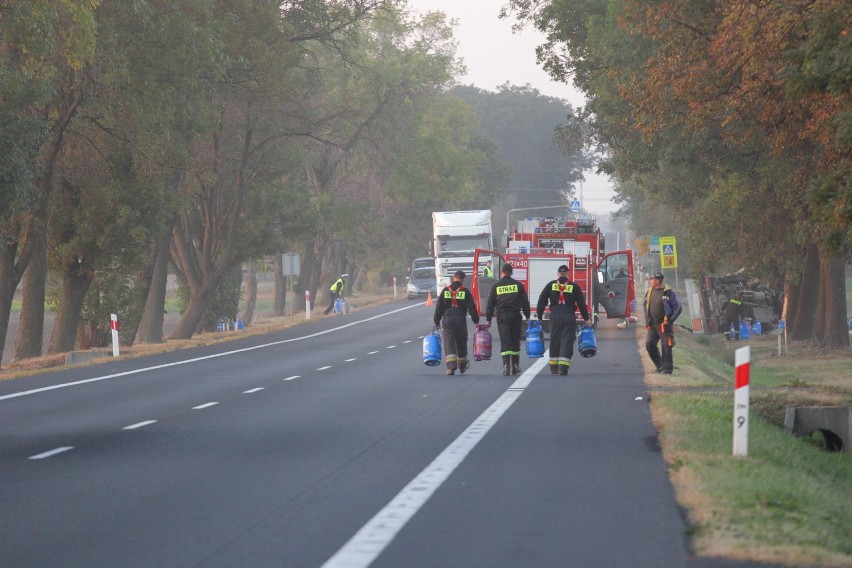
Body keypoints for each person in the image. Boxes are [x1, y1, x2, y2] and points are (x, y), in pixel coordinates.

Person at [536, 265, 590, 375]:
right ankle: (563, 368)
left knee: (554, 339)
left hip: (555, 315)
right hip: (568, 315)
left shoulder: (551, 285)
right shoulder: (574, 286)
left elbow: (542, 300)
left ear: (558, 274)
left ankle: (553, 368)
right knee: (567, 340)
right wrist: (586, 318)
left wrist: (539, 316)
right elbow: (581, 304)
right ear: (568, 274)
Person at [486, 263, 531, 375]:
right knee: (515, 340)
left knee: (505, 340)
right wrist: (528, 316)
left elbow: (490, 304)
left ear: (502, 272)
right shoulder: (518, 285)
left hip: (502, 316)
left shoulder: (496, 286)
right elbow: (525, 302)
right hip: (515, 315)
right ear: (511, 273)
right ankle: (515, 365)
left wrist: (488, 319)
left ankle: (506, 366)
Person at [433, 270, 480, 375]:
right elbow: (472, 308)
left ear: (454, 278)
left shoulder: (445, 291)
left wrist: (436, 322)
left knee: (449, 342)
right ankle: (462, 366)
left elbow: (438, 308)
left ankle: (451, 367)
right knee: (461, 342)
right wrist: (476, 321)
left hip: (448, 320)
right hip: (460, 320)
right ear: (463, 279)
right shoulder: (465, 291)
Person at [644, 271, 682, 374]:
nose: (651, 281)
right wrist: (647, 319)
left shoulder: (668, 292)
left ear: (659, 280)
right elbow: (645, 304)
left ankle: (667, 369)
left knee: (666, 346)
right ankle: (660, 365)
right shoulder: (649, 291)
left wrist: (669, 321)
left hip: (664, 324)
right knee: (649, 345)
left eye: (653, 279)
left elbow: (678, 307)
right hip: (652, 324)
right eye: (651, 279)